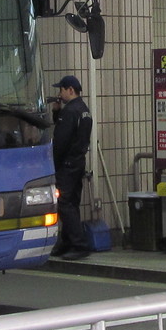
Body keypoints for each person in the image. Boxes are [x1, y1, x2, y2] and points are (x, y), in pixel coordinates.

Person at [50, 74, 92, 257]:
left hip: (67, 164)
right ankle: (66, 242)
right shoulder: (84, 110)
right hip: (78, 161)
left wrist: (54, 163)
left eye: (61, 90)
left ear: (70, 90)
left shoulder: (70, 111)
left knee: (64, 202)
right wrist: (57, 111)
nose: (59, 94)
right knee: (72, 202)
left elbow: (61, 140)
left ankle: (78, 245)